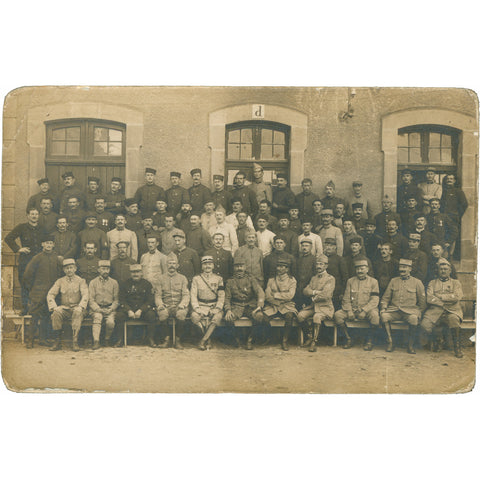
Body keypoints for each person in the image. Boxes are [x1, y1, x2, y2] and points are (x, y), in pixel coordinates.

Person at [22, 234, 62, 348]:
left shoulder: (56, 258)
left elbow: (59, 274)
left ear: (53, 245)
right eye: (46, 243)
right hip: (37, 293)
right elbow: (27, 275)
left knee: (45, 316)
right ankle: (30, 340)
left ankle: (42, 339)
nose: (48, 245)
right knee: (34, 316)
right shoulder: (37, 257)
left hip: (50, 293)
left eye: (50, 243)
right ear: (42, 244)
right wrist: (32, 289)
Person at [380, 258, 426, 354]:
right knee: (384, 316)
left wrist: (419, 312)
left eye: (405, 267)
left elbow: (422, 302)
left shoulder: (417, 282)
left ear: (410, 269)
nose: (402, 269)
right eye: (401, 267)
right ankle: (391, 342)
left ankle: (410, 345)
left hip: (410, 311)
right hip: (394, 310)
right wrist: (384, 307)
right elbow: (385, 298)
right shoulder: (393, 281)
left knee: (413, 318)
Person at [421, 258, 464, 358]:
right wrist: (446, 300)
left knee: (454, 320)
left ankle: (457, 347)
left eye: (445, 269)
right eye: (441, 269)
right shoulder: (432, 283)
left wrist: (441, 297)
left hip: (452, 310)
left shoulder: (456, 283)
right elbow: (429, 298)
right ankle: (438, 340)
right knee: (424, 324)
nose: (443, 271)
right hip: (435, 310)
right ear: (438, 271)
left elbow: (457, 296)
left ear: (450, 271)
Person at [334, 258, 380, 350]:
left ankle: (369, 341)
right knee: (337, 315)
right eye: (358, 269)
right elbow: (346, 298)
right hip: (353, 308)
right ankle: (348, 339)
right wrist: (349, 311)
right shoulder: (350, 281)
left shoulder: (374, 282)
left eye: (362, 269)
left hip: (368, 309)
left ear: (367, 269)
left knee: (375, 317)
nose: (360, 271)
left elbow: (375, 299)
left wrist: (364, 310)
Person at [4, 206, 43, 313]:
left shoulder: (42, 228)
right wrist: (19, 249)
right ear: (28, 216)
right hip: (25, 261)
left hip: (39, 262)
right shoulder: (22, 227)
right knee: (25, 284)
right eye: (32, 214)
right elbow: (8, 238)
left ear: (38, 216)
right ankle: (25, 308)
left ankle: (37, 309)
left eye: (36, 214)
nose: (34, 216)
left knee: (37, 285)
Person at [47, 258, 89, 352]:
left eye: (71, 267)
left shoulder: (81, 281)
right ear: (64, 270)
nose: (69, 270)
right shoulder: (60, 281)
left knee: (78, 312)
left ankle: (75, 341)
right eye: (67, 268)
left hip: (76, 308)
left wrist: (81, 306)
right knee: (56, 312)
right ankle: (57, 341)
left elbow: (85, 294)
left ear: (75, 268)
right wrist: (53, 307)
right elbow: (50, 294)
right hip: (65, 309)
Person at [224, 258, 265, 350]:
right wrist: (228, 310)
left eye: (241, 266)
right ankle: (236, 340)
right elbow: (227, 298)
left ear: (245, 267)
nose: (239, 269)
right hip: (236, 306)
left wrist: (259, 305)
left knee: (259, 316)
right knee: (228, 319)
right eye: (237, 266)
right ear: (234, 268)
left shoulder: (251, 279)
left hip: (249, 305)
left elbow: (260, 292)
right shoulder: (230, 281)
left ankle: (250, 340)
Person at [297, 255, 335, 352]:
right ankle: (309, 336)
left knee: (317, 317)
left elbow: (326, 295)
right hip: (313, 307)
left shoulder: (330, 278)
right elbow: (305, 290)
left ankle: (314, 341)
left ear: (326, 266)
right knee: (300, 316)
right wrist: (315, 292)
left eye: (321, 264)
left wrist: (314, 297)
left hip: (325, 307)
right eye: (317, 264)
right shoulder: (313, 278)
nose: (318, 266)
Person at [114, 264, 157, 347]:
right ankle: (120, 339)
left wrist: (141, 310)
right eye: (133, 272)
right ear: (130, 273)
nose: (135, 274)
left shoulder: (147, 284)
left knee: (151, 315)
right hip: (129, 311)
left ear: (142, 273)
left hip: (142, 311)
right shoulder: (125, 284)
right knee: (119, 315)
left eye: (138, 272)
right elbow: (122, 300)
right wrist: (128, 310)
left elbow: (150, 300)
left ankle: (151, 339)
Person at [155, 253, 190, 349]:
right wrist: (160, 304)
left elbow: (186, 294)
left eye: (173, 263)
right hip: (166, 305)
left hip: (179, 305)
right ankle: (166, 340)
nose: (171, 265)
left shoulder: (182, 278)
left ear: (177, 265)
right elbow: (158, 295)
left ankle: (178, 340)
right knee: (162, 313)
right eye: (169, 263)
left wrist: (183, 304)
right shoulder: (160, 278)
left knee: (181, 314)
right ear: (166, 265)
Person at [262, 257, 298, 351]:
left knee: (289, 316)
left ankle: (284, 341)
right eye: (278, 266)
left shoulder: (292, 280)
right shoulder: (271, 280)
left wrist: (276, 295)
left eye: (282, 267)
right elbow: (267, 295)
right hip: (273, 306)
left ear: (287, 269)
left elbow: (290, 295)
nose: (279, 269)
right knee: (264, 318)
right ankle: (271, 337)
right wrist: (276, 300)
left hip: (287, 306)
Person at [190, 256, 225, 350]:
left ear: (213, 266)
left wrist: (217, 308)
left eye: (209, 264)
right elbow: (193, 295)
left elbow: (221, 296)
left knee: (217, 317)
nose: (207, 266)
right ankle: (208, 339)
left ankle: (203, 341)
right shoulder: (196, 279)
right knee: (194, 317)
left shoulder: (219, 279)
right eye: (205, 264)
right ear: (202, 266)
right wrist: (197, 308)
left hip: (214, 306)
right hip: (201, 305)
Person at [88, 260, 119, 349]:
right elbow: (91, 300)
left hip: (109, 308)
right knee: (98, 317)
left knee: (110, 322)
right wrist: (98, 309)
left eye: (107, 269)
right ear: (98, 270)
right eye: (103, 269)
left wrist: (111, 309)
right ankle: (96, 341)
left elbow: (116, 300)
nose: (105, 271)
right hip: (97, 308)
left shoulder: (114, 283)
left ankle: (106, 339)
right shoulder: (93, 282)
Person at [440, 173, 468, 256]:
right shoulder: (443, 191)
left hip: (453, 218)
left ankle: (450, 255)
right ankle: (444, 255)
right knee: (443, 235)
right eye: (448, 179)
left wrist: (457, 214)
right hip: (443, 217)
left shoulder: (458, 191)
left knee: (452, 237)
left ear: (454, 181)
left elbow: (464, 204)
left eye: (451, 179)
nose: (449, 180)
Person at [324, 237, 348, 310]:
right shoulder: (322, 258)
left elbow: (345, 277)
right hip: (323, 289)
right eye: (327, 245)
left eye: (331, 246)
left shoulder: (340, 259)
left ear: (335, 247)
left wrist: (342, 292)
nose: (328, 247)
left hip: (336, 290)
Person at [295, 238, 317, 309]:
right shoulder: (298, 259)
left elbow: (315, 274)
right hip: (299, 286)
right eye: (303, 246)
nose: (304, 248)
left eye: (307, 246)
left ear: (311, 247)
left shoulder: (314, 260)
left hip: (309, 286)